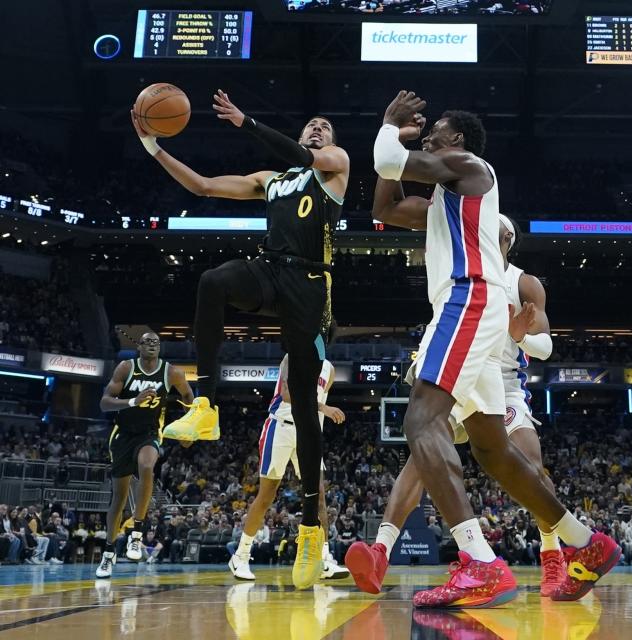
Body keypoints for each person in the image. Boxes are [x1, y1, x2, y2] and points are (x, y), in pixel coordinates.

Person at [367, 91, 619, 607]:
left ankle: (479, 562)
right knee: (491, 448)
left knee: (420, 421)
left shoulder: (467, 164)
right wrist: (398, 147)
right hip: (469, 308)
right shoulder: (444, 200)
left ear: (455, 139)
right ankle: (583, 542)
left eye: (435, 127)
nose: (428, 130)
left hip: (466, 297)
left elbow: (389, 159)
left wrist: (391, 125)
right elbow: (385, 206)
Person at [133, 91, 349, 589]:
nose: (317, 129)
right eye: (311, 123)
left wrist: (247, 120)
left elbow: (303, 157)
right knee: (212, 281)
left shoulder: (333, 168)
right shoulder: (270, 182)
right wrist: (153, 147)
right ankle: (205, 404)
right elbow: (204, 186)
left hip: (311, 285)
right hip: (271, 270)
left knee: (306, 410)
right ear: (300, 133)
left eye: (325, 125)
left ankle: (312, 532)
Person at [346, 214, 572, 597]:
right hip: (462, 377)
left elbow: (547, 347)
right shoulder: (462, 276)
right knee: (420, 456)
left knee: (531, 464)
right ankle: (381, 550)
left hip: (503, 385)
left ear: (506, 238)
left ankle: (552, 555)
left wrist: (518, 337)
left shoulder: (523, 283)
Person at [228, 355, 349, 582]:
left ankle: (323, 559)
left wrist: (319, 415)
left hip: (308, 434)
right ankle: (240, 556)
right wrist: (324, 407)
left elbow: (315, 404)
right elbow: (286, 394)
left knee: (319, 496)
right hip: (281, 428)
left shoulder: (330, 369)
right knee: (266, 495)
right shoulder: (292, 357)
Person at [95, 333, 194, 579]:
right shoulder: (126, 368)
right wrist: (132, 401)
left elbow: (189, 397)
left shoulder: (172, 373)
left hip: (149, 433)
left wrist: (189, 427)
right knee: (118, 498)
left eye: (156, 342)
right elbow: (104, 403)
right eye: (146, 341)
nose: (152, 344)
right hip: (123, 434)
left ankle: (136, 534)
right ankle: (108, 553)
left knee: (147, 465)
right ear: (138, 346)